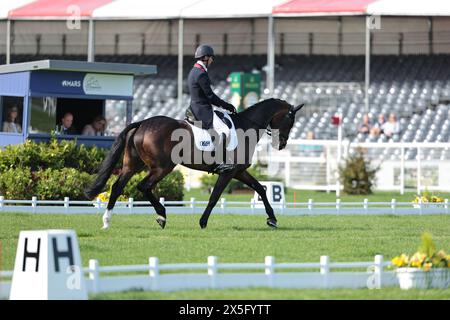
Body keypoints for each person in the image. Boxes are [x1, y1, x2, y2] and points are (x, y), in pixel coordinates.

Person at [186, 44, 237, 173]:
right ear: (206, 58)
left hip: (195, 107)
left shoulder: (193, 71)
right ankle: (218, 162)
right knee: (225, 130)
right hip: (202, 109)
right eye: (211, 58)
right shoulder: (201, 73)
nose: (212, 60)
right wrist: (227, 105)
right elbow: (210, 96)